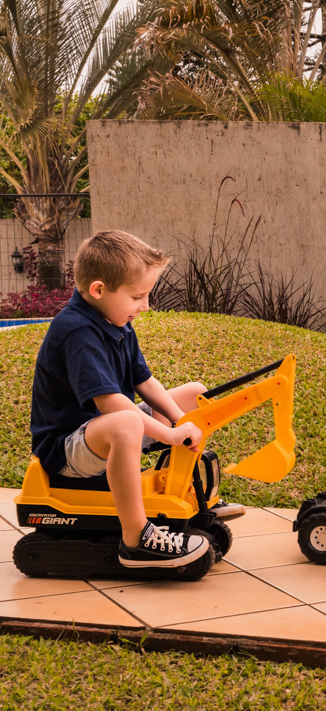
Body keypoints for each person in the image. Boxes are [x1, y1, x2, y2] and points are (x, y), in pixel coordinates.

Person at [30, 230, 215, 568]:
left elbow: (144, 381)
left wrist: (181, 419)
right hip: (67, 451)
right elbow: (112, 405)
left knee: (194, 394)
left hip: (105, 432)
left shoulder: (117, 322)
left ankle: (185, 489)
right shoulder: (77, 332)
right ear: (99, 290)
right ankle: (136, 539)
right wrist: (171, 435)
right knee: (126, 420)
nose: (145, 306)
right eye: (137, 297)